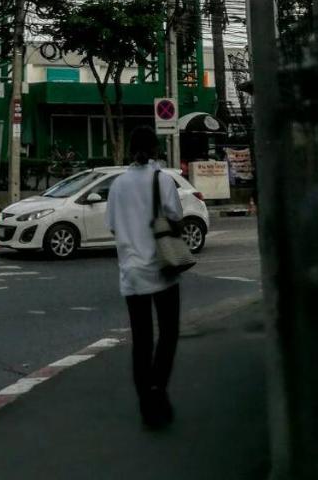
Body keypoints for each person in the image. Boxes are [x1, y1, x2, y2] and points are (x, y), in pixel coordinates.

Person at [106, 126, 185, 428]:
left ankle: (146, 403)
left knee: (141, 340)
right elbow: (176, 218)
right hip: (162, 267)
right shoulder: (162, 180)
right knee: (168, 333)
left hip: (131, 272)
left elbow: (113, 226)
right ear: (155, 149)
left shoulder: (117, 185)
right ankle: (158, 388)